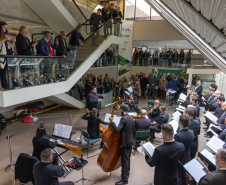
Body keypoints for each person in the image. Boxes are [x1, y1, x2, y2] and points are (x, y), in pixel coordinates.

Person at [110, 104, 135, 185]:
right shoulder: (131, 117)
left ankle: (124, 179)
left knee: (124, 161)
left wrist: (112, 122)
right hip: (130, 141)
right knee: (127, 159)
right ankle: (127, 174)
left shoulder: (123, 119)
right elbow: (134, 130)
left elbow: (117, 129)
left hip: (125, 142)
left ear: (122, 110)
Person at [174, 115, 194, 185]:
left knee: (179, 174)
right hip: (187, 154)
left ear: (180, 124)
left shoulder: (177, 135)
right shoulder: (191, 132)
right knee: (184, 174)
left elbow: (175, 147)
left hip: (180, 157)